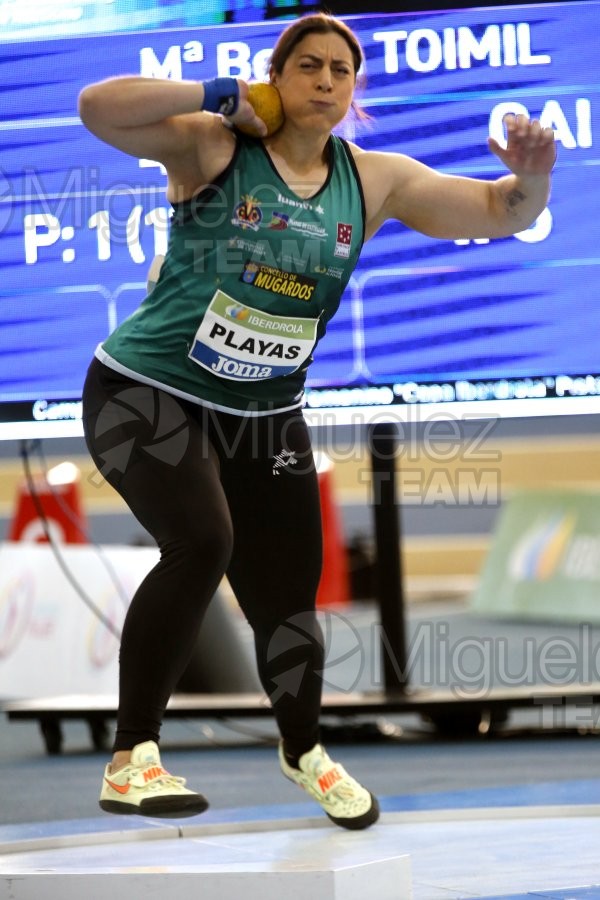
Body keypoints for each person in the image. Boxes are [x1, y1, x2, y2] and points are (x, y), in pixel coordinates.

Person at [78, 13, 555, 829]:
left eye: (340, 68)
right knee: (202, 540)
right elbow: (97, 106)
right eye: (307, 66)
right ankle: (133, 757)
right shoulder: (216, 147)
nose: (325, 80)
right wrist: (221, 95)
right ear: (279, 76)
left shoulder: (373, 182)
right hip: (144, 391)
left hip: (263, 414)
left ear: (352, 91)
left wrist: (531, 178)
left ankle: (304, 751)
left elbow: (500, 210)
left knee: (287, 601)